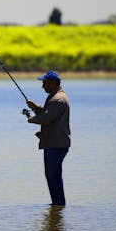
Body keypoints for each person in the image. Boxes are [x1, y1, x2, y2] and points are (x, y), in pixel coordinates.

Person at [26, 70, 71, 206]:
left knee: (53, 176)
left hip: (56, 144)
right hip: (54, 143)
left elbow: (46, 119)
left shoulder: (58, 99)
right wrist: (37, 108)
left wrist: (31, 119)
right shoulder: (55, 96)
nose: (43, 86)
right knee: (52, 176)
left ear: (53, 83)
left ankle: (58, 206)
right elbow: (47, 113)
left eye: (45, 83)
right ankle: (57, 206)